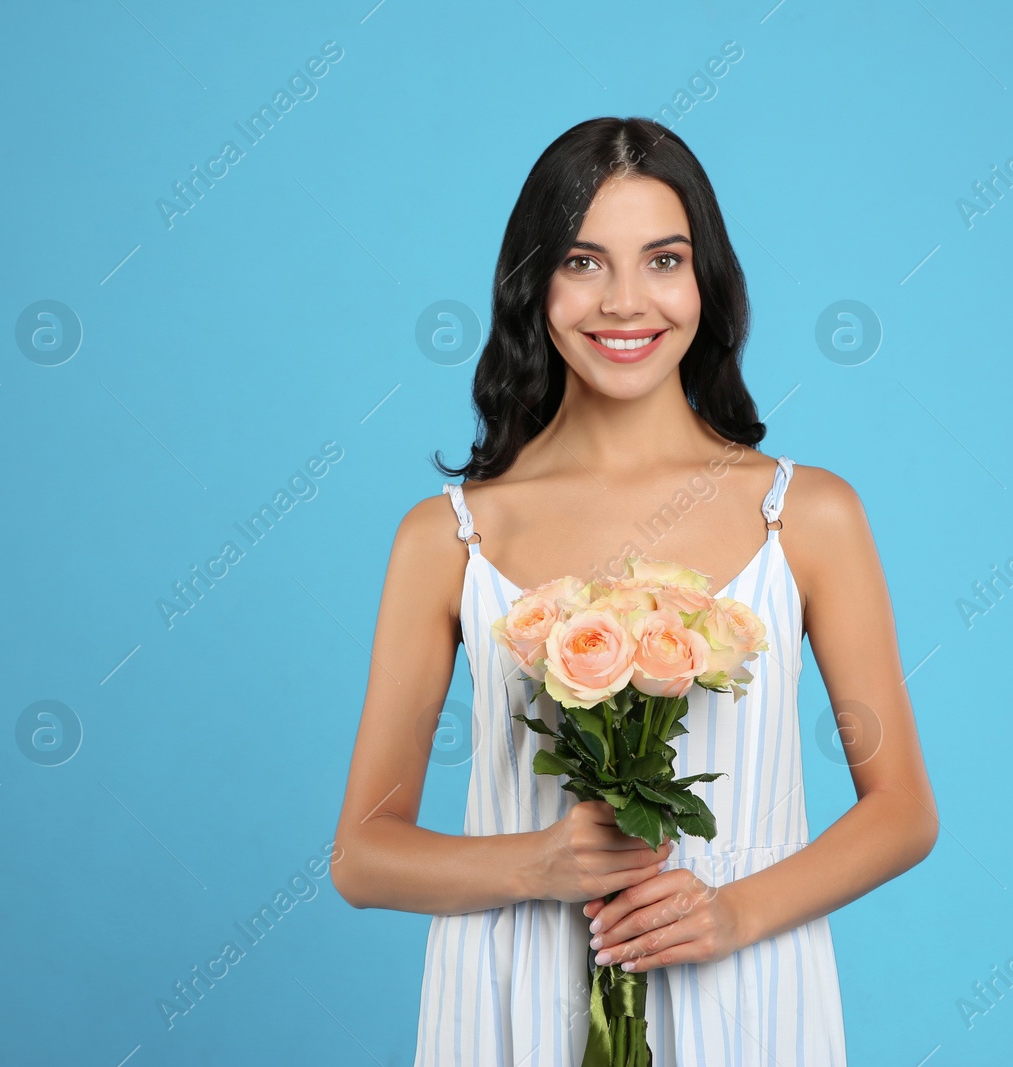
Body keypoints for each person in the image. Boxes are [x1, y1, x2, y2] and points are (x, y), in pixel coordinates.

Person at [331, 116, 939, 1066]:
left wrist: (733, 913)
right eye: (584, 261)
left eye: (663, 259)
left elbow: (902, 807)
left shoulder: (808, 515)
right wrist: (535, 864)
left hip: (744, 987)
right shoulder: (445, 536)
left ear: (707, 282)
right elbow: (362, 857)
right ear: (535, 283)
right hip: (512, 996)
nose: (625, 302)